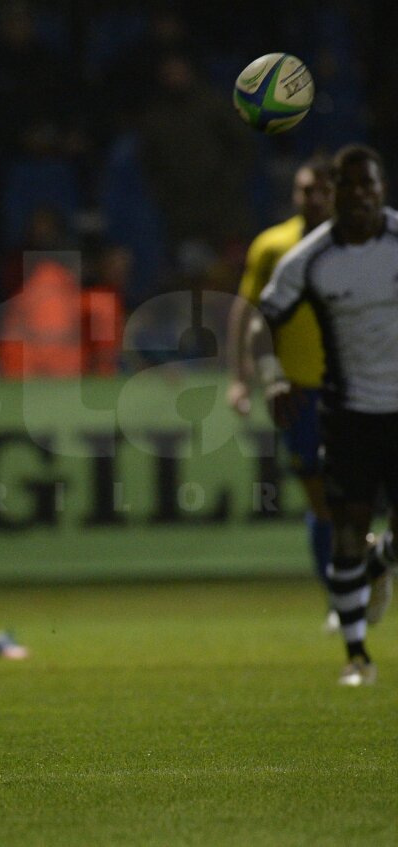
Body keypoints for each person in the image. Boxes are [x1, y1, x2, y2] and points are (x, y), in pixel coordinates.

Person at [254, 144, 398, 687]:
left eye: (371, 184)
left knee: (376, 540)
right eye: (351, 185)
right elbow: (257, 319)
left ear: (382, 189)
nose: (361, 194)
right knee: (344, 530)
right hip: (347, 412)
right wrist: (270, 375)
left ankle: (381, 561)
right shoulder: (307, 258)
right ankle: (357, 656)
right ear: (334, 192)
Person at [226, 158, 336, 629]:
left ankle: (360, 569)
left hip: (359, 387)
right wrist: (241, 376)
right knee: (320, 496)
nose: (311, 198)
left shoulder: (360, 245)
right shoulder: (274, 246)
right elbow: (248, 313)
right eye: (303, 190)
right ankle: (340, 594)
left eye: (320, 190)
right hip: (298, 390)